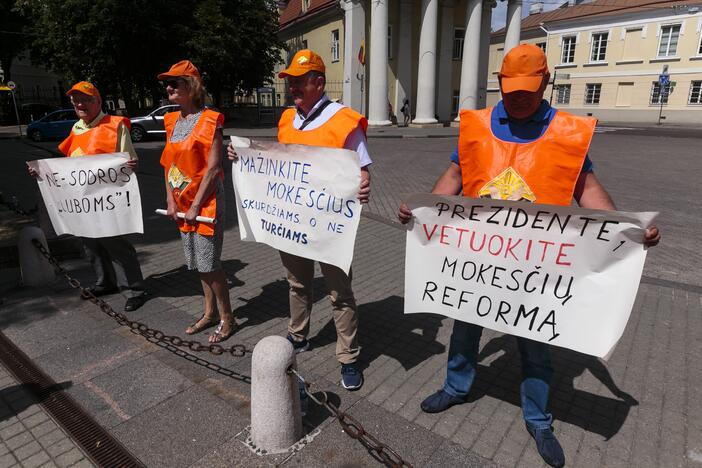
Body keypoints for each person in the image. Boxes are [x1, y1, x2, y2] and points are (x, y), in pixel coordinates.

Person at [397, 45, 661, 468]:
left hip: (536, 270)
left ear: (546, 83)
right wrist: (421, 207)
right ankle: (457, 386)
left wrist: (629, 230)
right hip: (476, 262)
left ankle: (539, 418)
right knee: (465, 330)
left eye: (529, 89)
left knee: (536, 346)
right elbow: (454, 176)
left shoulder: (568, 133)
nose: (519, 97)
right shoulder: (477, 126)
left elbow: (587, 191)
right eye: (511, 88)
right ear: (501, 83)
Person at [228, 49, 371, 390]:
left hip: (329, 227)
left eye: (298, 81)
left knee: (339, 293)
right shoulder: (286, 120)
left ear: (318, 82)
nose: (292, 87)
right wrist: (242, 155)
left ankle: (348, 357)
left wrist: (364, 186)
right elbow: (279, 165)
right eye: (289, 81)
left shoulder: (344, 121)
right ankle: (299, 334)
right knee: (297, 284)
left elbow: (362, 171)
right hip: (293, 223)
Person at [29, 81, 147, 312]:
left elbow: (128, 160)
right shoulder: (76, 128)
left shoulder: (114, 125)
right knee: (90, 243)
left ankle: (134, 289)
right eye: (76, 101)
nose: (80, 104)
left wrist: (130, 164)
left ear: (98, 101)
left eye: (85, 99)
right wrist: (41, 171)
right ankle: (105, 282)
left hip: (108, 198)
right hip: (83, 200)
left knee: (116, 245)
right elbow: (70, 165)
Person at [158, 60, 236, 343]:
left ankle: (228, 318)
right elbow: (168, 165)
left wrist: (194, 207)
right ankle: (209, 312)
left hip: (206, 203)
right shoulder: (172, 121)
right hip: (182, 202)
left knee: (210, 262)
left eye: (174, 82)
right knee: (196, 261)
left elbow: (214, 169)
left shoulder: (211, 119)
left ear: (191, 86)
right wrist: (171, 199)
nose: (168, 87)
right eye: (167, 83)